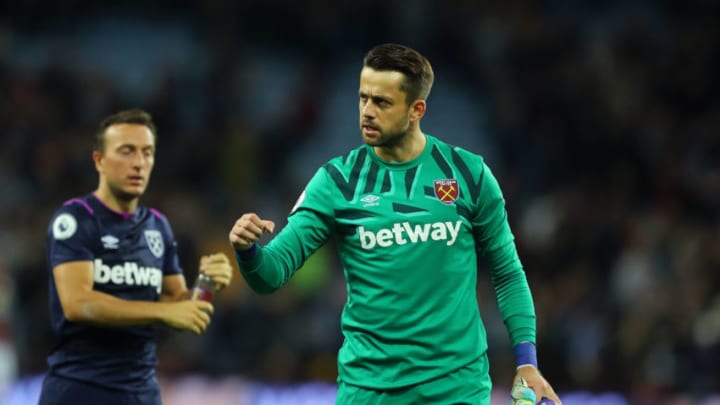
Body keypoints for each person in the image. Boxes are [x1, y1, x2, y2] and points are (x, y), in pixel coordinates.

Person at [228, 43, 562, 404]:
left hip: (456, 391)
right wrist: (248, 251)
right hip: (371, 392)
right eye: (363, 98)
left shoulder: (469, 174)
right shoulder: (337, 182)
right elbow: (272, 274)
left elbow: (507, 272)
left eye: (382, 102)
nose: (367, 112)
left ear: (416, 109)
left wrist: (527, 362)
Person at [39, 109, 233, 405]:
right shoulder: (76, 219)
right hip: (80, 390)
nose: (139, 163)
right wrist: (161, 312)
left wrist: (207, 284)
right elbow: (77, 304)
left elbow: (181, 309)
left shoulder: (158, 225)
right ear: (99, 160)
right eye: (127, 152)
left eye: (147, 153)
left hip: (140, 393)